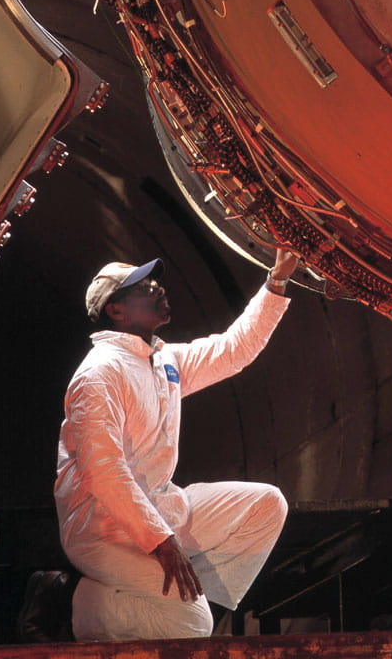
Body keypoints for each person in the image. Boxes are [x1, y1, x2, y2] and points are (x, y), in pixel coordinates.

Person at [52, 250, 300, 640]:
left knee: (266, 506)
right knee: (191, 624)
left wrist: (277, 280)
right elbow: (104, 473)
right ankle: (68, 600)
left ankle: (184, 609)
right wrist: (162, 542)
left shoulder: (161, 359)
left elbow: (234, 350)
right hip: (104, 529)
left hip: (157, 510)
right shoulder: (100, 373)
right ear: (116, 311)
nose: (159, 288)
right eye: (145, 287)